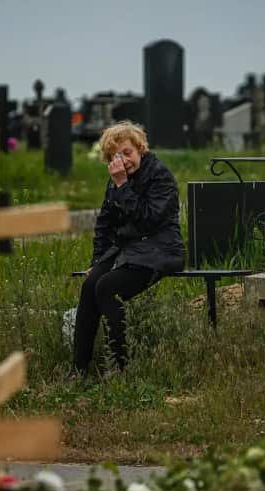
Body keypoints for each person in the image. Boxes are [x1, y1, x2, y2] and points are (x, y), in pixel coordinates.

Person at [73, 121, 185, 374]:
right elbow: (104, 225)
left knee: (107, 287)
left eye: (127, 153)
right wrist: (97, 262)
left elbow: (147, 219)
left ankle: (119, 365)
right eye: (114, 156)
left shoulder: (160, 176)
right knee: (90, 285)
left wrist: (123, 186)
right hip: (129, 252)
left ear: (140, 149)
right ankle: (78, 368)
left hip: (161, 250)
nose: (122, 160)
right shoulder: (115, 182)